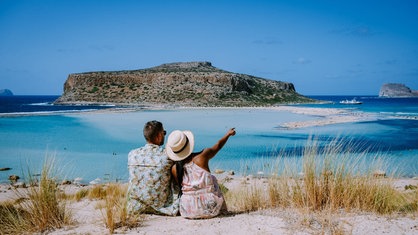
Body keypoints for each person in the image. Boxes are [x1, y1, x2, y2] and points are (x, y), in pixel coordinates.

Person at [166, 128, 236, 219]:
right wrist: (228, 134)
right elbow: (218, 145)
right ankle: (222, 209)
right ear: (189, 144)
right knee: (213, 178)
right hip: (211, 208)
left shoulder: (175, 169)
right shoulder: (202, 156)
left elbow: (180, 187)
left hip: (187, 210)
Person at [127, 120, 179, 216]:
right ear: (159, 136)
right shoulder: (167, 155)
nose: (164, 135)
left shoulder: (132, 154)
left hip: (134, 206)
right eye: (164, 133)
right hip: (162, 207)